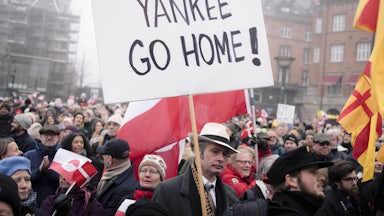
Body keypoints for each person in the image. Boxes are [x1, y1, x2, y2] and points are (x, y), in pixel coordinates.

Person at [153, 122, 239, 216]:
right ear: (198, 152)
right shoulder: (167, 190)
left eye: (225, 154)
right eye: (215, 152)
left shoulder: (230, 193)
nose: (221, 159)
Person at [266, 145, 333, 215]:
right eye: (313, 172)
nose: (322, 178)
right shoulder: (286, 213)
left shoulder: (305, 208)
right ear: (291, 180)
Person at [96, 138, 137, 216]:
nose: (102, 158)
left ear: (110, 159)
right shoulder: (117, 176)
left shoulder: (124, 189)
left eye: (103, 156)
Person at [23, 124, 61, 206]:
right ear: (40, 137)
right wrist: (40, 170)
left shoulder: (62, 156)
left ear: (58, 138)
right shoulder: (28, 155)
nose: (49, 137)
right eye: (46, 135)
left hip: (56, 200)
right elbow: (26, 179)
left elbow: (61, 179)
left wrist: (47, 169)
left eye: (52, 135)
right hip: (33, 201)